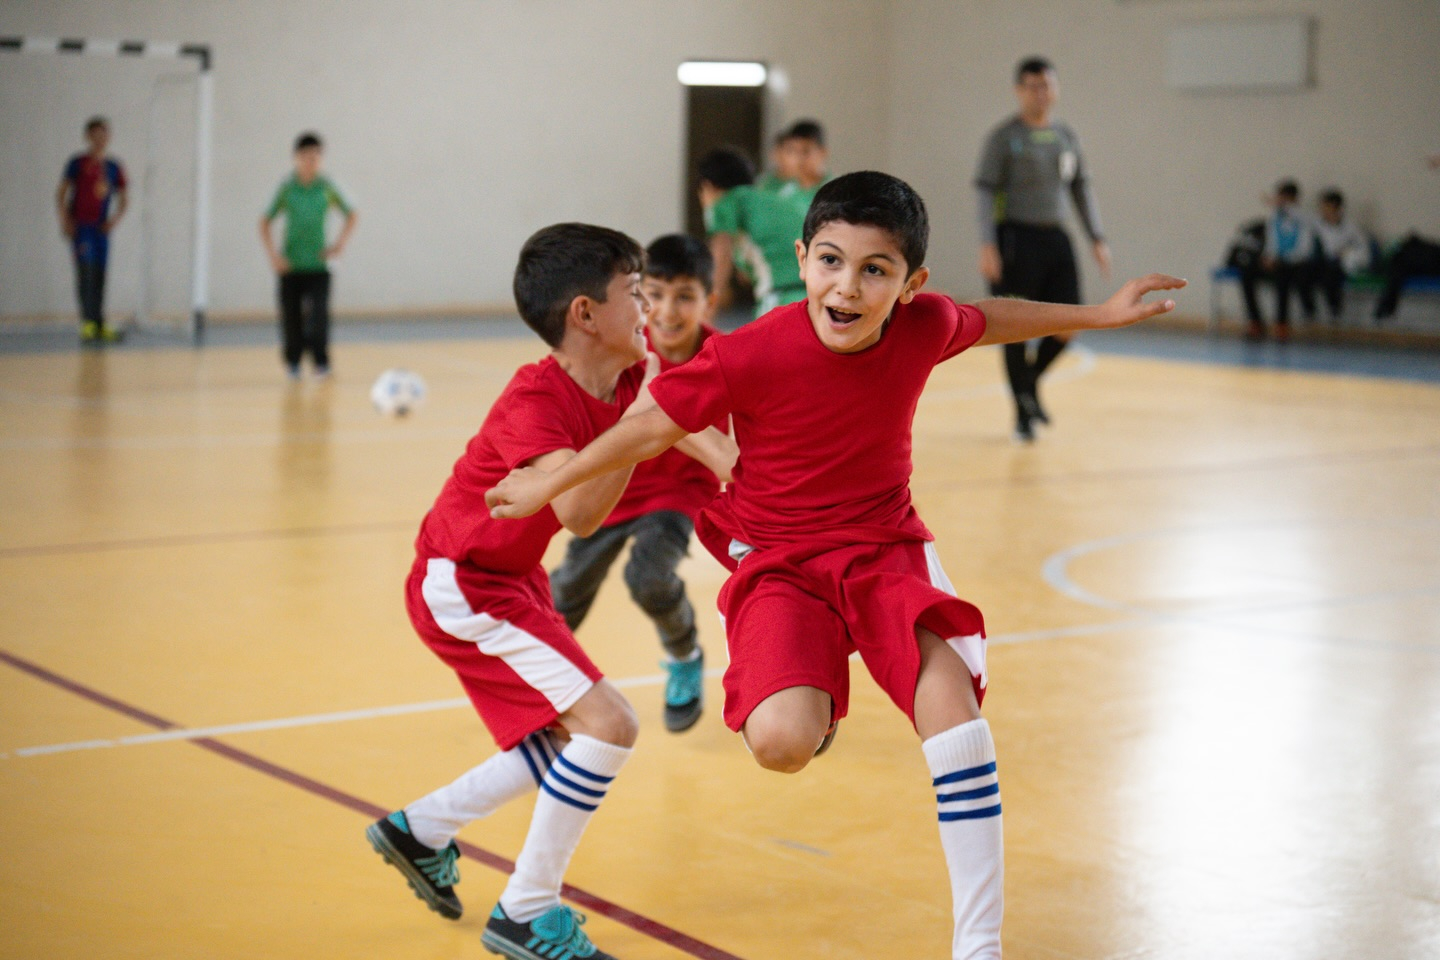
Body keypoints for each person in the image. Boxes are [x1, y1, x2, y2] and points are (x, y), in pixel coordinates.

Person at [486, 171, 1185, 959]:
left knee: (954, 716)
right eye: (829, 261)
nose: (846, 287)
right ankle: (805, 686)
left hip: (883, 550)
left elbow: (989, 319)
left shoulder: (924, 326)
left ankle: (978, 946)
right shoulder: (753, 352)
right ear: (800, 259)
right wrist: (552, 477)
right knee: (782, 743)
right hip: (779, 562)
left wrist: (1101, 313)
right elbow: (650, 424)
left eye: (874, 271)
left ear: (910, 285)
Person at [364, 223, 734, 960]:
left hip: (510, 579)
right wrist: (644, 426)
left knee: (566, 738)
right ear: (584, 314)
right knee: (612, 725)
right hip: (463, 584)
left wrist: (740, 470)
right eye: (636, 292)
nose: (652, 310)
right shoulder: (535, 401)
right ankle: (528, 910)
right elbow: (582, 512)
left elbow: (702, 438)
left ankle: (421, 830)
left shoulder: (632, 373)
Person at [549, 234, 728, 733]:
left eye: (686, 296)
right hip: (613, 488)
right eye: (656, 294)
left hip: (678, 494)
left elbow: (735, 443)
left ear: (709, 301)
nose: (668, 311)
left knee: (649, 578)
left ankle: (684, 652)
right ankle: (543, 684)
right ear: (638, 297)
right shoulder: (622, 349)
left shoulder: (723, 358)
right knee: (562, 596)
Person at [975, 57, 1110, 443]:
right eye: (1033, 86)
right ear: (1020, 90)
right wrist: (987, 243)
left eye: (1047, 85)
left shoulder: (1066, 135)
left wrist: (1097, 237)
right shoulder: (1004, 137)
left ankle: (1028, 384)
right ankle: (1022, 413)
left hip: (1056, 238)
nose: (1041, 93)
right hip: (1015, 239)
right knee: (1015, 328)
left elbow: (1081, 187)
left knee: (1069, 324)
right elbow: (985, 191)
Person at [707, 119, 830, 319]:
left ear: (822, 152)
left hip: (805, 283)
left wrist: (710, 304)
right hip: (786, 284)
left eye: (805, 151)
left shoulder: (834, 193)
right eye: (792, 151)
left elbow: (722, 249)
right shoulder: (776, 192)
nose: (798, 159)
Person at [259, 132, 357, 379]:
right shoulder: (287, 188)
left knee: (319, 315)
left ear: (321, 159)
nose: (310, 161)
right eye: (305, 157)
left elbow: (351, 213)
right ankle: (293, 362)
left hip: (319, 264)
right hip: (291, 265)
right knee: (291, 317)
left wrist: (339, 245)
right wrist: (274, 256)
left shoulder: (327, 188)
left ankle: (321, 363)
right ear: (296, 158)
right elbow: (264, 220)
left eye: (315, 157)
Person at [56, 117, 128, 344]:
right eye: (95, 135)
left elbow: (124, 198)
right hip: (82, 227)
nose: (99, 139)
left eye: (103, 135)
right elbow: (61, 193)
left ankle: (99, 322)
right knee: (85, 272)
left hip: (101, 229)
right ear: (87, 136)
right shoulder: (78, 163)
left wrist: (114, 220)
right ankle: (87, 322)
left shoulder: (113, 167)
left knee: (100, 274)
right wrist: (65, 220)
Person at [1239, 179, 1316, 341]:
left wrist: (1282, 259)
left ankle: (1282, 324)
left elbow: (1304, 251)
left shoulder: (1304, 219)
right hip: (1276, 261)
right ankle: (1255, 321)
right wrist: (1268, 258)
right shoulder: (1275, 217)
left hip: (1295, 263)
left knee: (1283, 277)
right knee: (1247, 273)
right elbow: (1272, 243)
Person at [696, 146, 760, 310]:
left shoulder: (722, 203)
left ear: (708, 187)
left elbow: (721, 253)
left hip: (782, 293)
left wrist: (707, 309)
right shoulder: (764, 200)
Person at [1310, 189, 1371, 321]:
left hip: (1342, 263)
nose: (1322, 210)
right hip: (1324, 261)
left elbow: (1362, 248)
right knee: (1305, 272)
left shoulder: (1351, 226)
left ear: (1334, 207)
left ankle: (1335, 312)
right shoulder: (1317, 224)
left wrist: (1346, 252)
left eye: (1325, 206)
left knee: (1332, 273)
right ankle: (1310, 312)